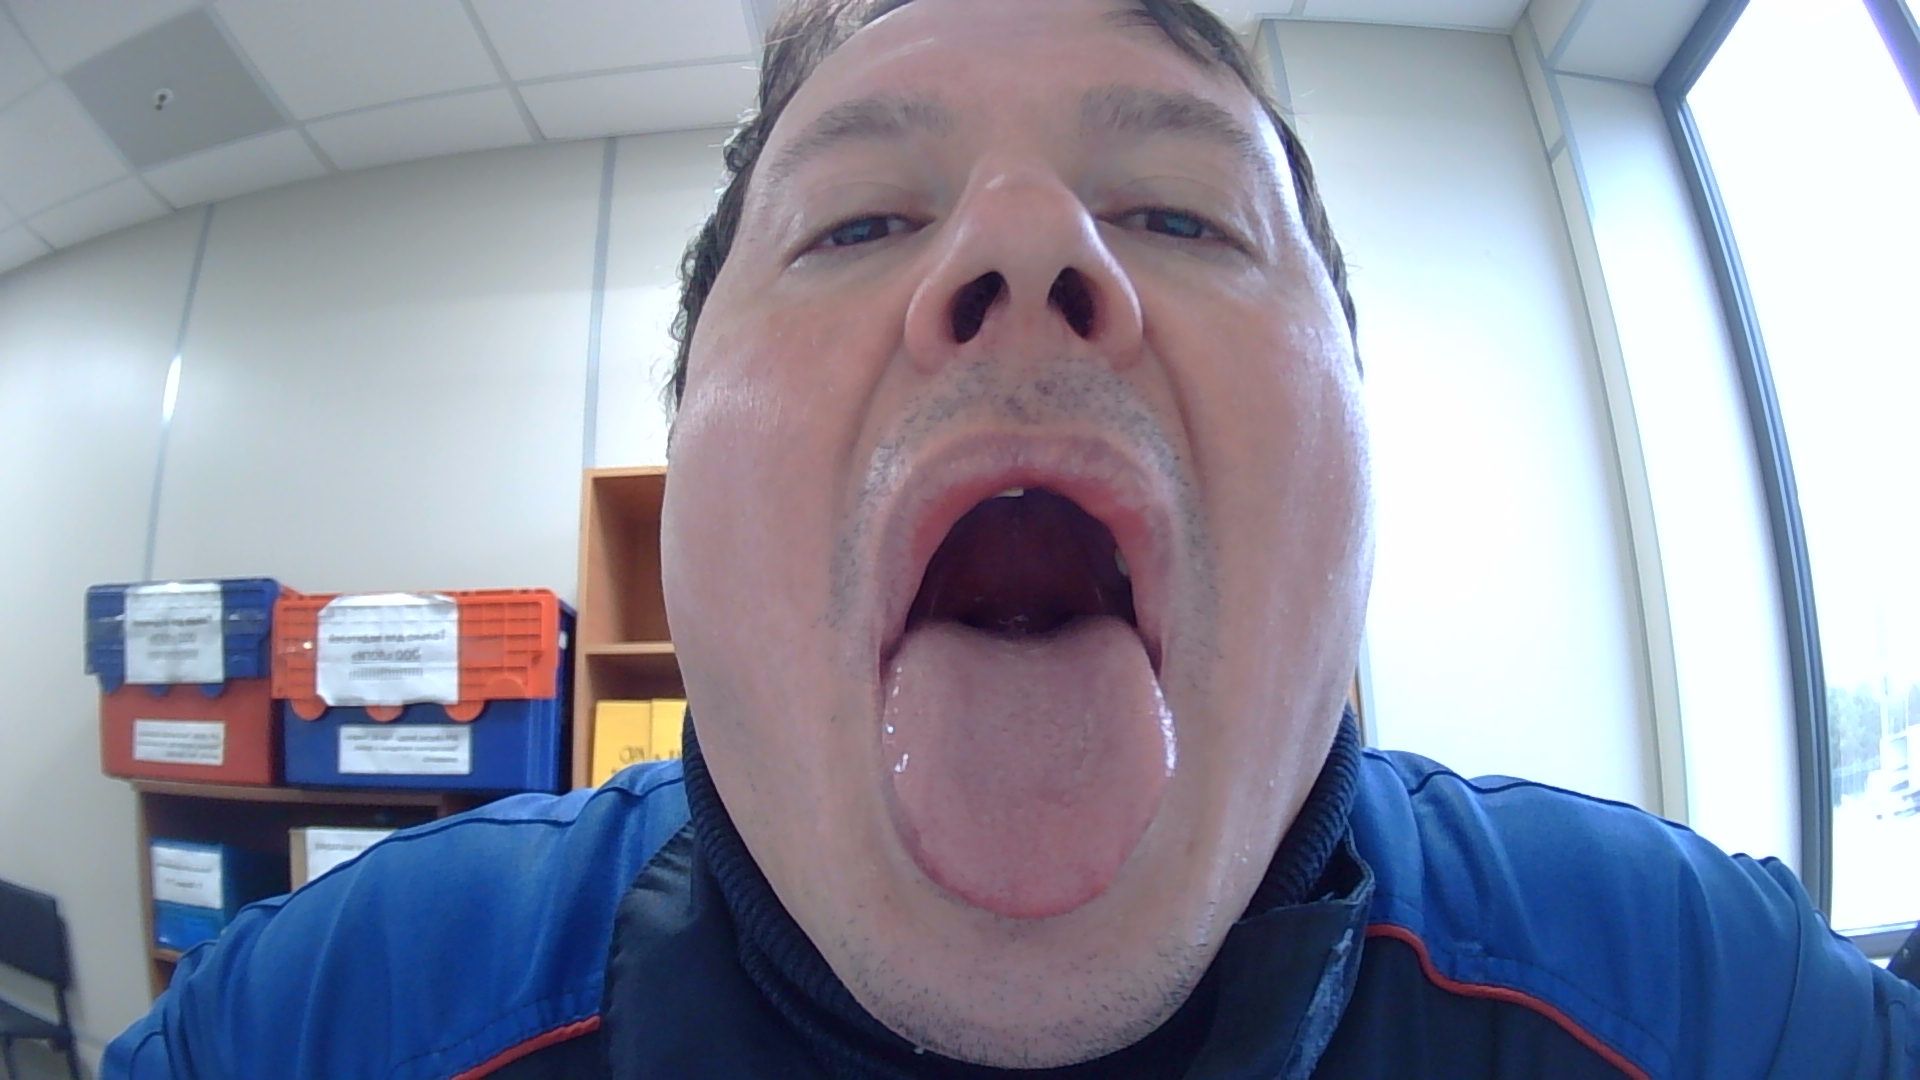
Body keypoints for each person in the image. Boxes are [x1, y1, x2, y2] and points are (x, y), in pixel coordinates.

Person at [106, 0, 1919, 1076]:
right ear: (682, 482)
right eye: (854, 222)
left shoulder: (1701, 1000)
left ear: (1364, 449)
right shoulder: (324, 1021)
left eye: (1181, 213)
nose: (1030, 245)